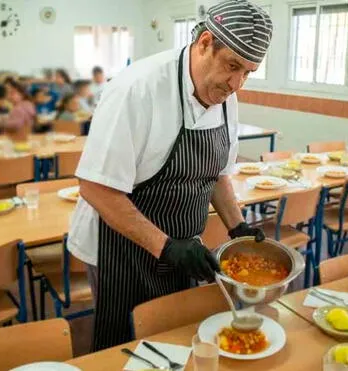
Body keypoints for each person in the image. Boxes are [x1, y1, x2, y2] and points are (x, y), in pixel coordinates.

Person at [67, 0, 272, 351]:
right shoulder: (137, 89)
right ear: (205, 43)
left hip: (181, 247)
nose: (237, 83)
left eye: (248, 72)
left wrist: (237, 226)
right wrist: (166, 247)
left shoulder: (226, 96)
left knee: (173, 339)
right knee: (126, 346)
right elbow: (96, 189)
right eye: (233, 66)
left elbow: (215, 173)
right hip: (120, 249)